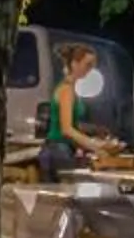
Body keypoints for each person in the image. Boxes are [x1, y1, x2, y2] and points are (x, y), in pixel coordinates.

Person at [38, 43, 119, 178]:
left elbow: (72, 125)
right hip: (59, 149)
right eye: (88, 65)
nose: (90, 70)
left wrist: (95, 139)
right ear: (75, 64)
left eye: (93, 66)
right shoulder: (67, 90)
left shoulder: (70, 89)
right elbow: (67, 129)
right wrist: (94, 146)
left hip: (61, 149)